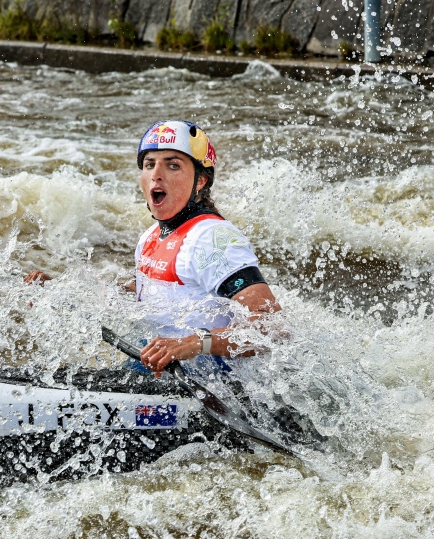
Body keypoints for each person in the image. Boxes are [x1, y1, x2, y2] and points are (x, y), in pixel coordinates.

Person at [25, 120, 281, 376]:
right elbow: (145, 294)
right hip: (158, 371)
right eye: (149, 165)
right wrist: (64, 292)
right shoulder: (151, 236)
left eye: (172, 165)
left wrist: (193, 343)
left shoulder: (213, 238)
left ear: (201, 181)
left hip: (214, 383)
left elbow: (273, 327)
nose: (156, 174)